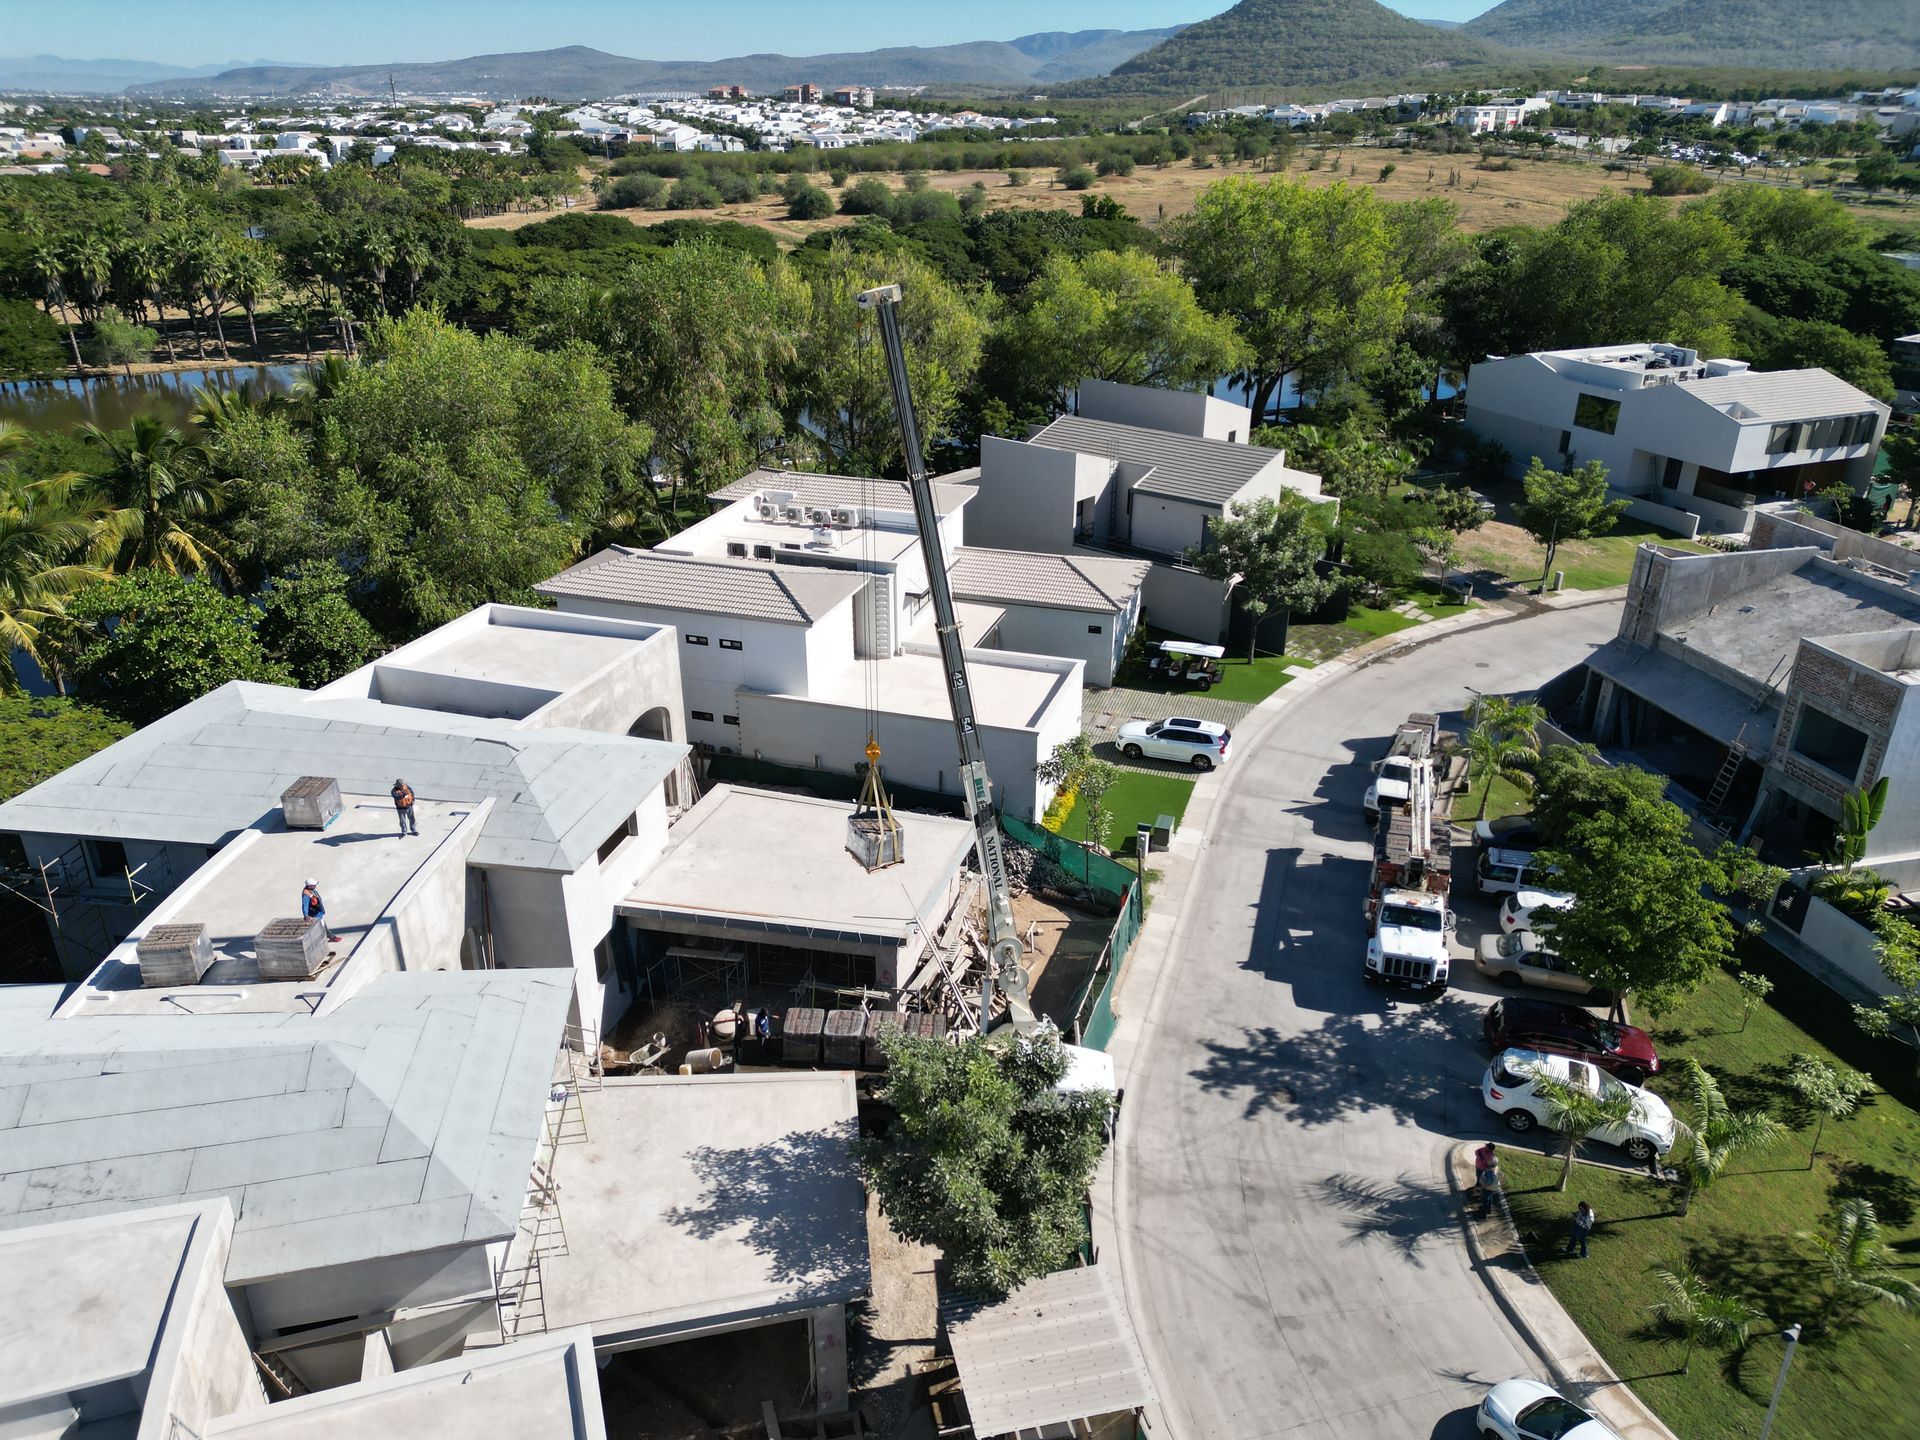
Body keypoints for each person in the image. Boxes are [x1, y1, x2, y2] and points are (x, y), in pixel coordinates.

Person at [301, 879, 340, 944]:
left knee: (322, 925)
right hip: (315, 914)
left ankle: (331, 937)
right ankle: (331, 937)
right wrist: (306, 915)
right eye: (314, 885)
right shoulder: (306, 895)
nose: (315, 886)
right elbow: (305, 905)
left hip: (318, 912)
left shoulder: (312, 891)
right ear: (310, 886)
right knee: (321, 926)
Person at [1477, 1153, 1503, 1220]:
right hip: (1493, 1188)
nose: (1487, 1160)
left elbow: (1488, 1182)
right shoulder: (1495, 1168)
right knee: (1489, 1198)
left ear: (1491, 1163)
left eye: (1489, 1160)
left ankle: (1483, 1215)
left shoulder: (1490, 1172)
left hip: (1488, 1188)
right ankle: (1488, 1210)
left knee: (1485, 1200)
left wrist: (1483, 1187)